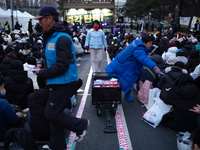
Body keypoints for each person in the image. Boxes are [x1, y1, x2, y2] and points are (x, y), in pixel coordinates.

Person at [33, 6, 89, 149]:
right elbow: (53, 60)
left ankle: (81, 125)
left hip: (64, 82)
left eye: (41, 20)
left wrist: (43, 73)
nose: (39, 24)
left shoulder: (62, 38)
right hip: (56, 80)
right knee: (54, 114)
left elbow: (62, 65)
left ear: (49, 18)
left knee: (51, 113)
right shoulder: (52, 36)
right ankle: (56, 144)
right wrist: (42, 66)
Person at [105, 35, 161, 101]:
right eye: (149, 43)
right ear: (144, 42)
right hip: (125, 66)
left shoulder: (137, 43)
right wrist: (154, 67)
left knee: (125, 81)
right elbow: (143, 58)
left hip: (123, 63)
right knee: (124, 80)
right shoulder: (139, 48)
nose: (151, 45)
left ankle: (121, 94)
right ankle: (113, 95)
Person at [0, 74, 24, 141]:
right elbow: (13, 121)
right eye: (2, 86)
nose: (3, 89)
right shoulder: (3, 103)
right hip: (3, 135)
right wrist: (17, 115)